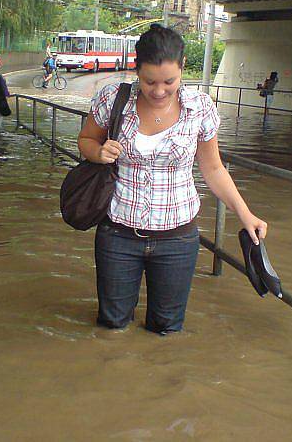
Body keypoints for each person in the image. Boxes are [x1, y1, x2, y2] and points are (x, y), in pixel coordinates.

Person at [77, 24, 268, 335]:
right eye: (149, 81)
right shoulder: (114, 98)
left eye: (170, 81)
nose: (159, 90)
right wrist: (99, 152)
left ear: (182, 70)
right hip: (118, 235)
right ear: (136, 70)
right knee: (112, 326)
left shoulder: (200, 108)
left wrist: (246, 215)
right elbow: (85, 140)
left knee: (166, 330)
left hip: (178, 239)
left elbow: (214, 169)